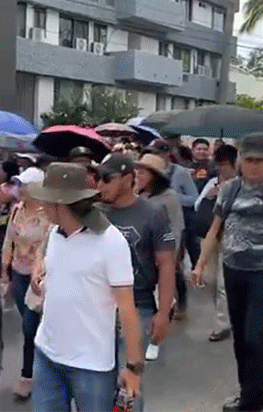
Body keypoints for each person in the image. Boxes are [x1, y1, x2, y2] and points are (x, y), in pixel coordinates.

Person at [193, 133, 263, 412]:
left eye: (259, 161)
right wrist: (200, 263)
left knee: (256, 336)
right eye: (249, 160)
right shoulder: (230, 190)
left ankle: (253, 402)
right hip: (233, 269)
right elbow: (215, 228)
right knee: (241, 337)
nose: (253, 166)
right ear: (241, 161)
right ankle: (247, 394)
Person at [28, 163, 142, 412]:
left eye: (46, 202)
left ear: (61, 203)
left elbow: (127, 309)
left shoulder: (111, 242)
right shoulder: (55, 233)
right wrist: (41, 280)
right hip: (47, 354)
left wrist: (133, 368)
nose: (42, 207)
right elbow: (54, 267)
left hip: (92, 366)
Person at [97, 152, 176, 409]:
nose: (100, 185)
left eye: (107, 179)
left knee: (130, 384)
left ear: (128, 178)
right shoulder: (95, 212)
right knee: (98, 384)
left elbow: (166, 264)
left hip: (138, 306)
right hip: (98, 307)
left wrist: (163, 313)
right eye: (98, 178)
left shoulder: (153, 213)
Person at [0, 167, 51, 401]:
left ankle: (28, 375)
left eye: (25, 186)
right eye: (19, 185)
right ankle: (38, 369)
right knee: (29, 325)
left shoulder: (49, 215)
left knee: (31, 327)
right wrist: (5, 269)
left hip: (39, 278)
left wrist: (39, 271)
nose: (20, 190)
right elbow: (9, 240)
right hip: (19, 273)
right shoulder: (16, 210)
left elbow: (47, 247)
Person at [134, 153, 185, 360]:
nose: (138, 174)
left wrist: (171, 255)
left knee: (163, 299)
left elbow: (176, 226)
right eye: (137, 170)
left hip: (162, 253)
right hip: (142, 255)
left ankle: (156, 339)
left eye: (143, 171)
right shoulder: (140, 195)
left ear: (154, 175)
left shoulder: (169, 197)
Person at [194, 144, 239, 342]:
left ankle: (222, 323)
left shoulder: (241, 185)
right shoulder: (212, 181)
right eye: (219, 164)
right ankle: (226, 315)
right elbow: (198, 205)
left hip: (232, 238)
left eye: (225, 165)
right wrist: (211, 194)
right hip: (210, 237)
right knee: (211, 280)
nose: (222, 169)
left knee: (223, 283)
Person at [146, 140, 200, 269]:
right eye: (154, 154)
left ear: (168, 154)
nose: (157, 157)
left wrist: (174, 198)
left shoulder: (179, 172)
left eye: (160, 153)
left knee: (174, 261)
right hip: (154, 221)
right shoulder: (148, 172)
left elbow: (194, 198)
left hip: (177, 220)